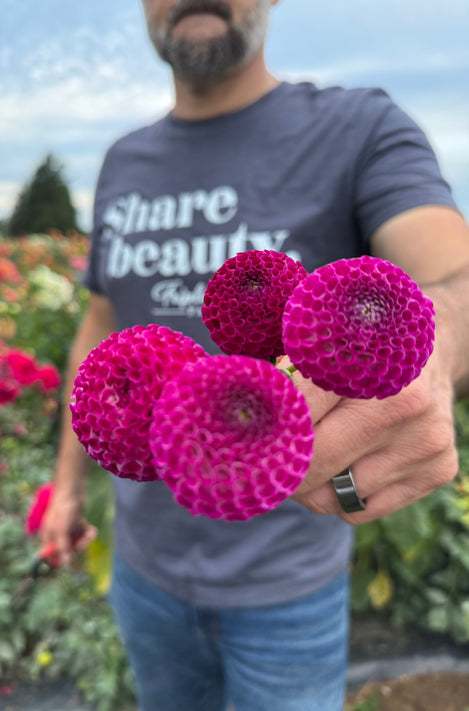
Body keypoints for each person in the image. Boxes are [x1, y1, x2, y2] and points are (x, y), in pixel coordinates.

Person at [41, 1, 469, 709]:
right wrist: (66, 485)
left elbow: (455, 277)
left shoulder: (357, 127)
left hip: (288, 585)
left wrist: (432, 343)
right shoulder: (123, 160)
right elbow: (99, 322)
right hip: (144, 567)